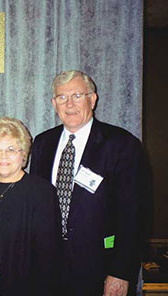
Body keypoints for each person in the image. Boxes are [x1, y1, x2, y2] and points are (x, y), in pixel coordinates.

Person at [30, 70, 152, 296]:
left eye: (77, 95)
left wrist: (121, 272)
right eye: (62, 97)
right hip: (48, 268)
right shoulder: (42, 143)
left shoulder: (122, 145)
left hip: (100, 269)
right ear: (53, 103)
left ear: (92, 99)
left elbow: (134, 215)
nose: (69, 104)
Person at [0, 117, 61, 296]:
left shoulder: (41, 192)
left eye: (11, 149)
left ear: (23, 154)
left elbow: (49, 257)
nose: (3, 156)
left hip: (22, 288)